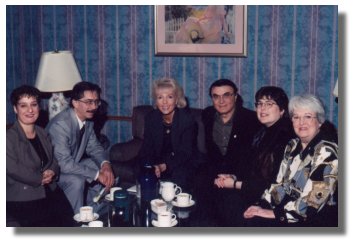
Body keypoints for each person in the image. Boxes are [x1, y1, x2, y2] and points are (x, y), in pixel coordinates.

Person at [243, 94, 338, 227]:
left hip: (314, 219)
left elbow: (312, 202)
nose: (301, 122)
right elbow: (279, 184)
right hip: (289, 211)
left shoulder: (328, 152)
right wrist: (261, 205)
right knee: (249, 216)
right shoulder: (292, 145)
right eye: (296, 117)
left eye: (308, 117)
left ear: (320, 121)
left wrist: (275, 214)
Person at [213, 86, 295, 226]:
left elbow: (272, 183)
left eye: (269, 104)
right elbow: (249, 166)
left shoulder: (285, 137)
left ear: (282, 110)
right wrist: (234, 176)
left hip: (272, 199)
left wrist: (234, 184)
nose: (262, 108)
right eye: (259, 104)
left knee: (227, 201)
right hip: (254, 190)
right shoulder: (262, 132)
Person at [192, 79, 260, 226]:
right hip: (213, 173)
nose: (221, 101)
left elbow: (253, 158)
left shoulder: (252, 120)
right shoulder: (207, 115)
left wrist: (234, 177)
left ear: (235, 97)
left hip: (239, 175)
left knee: (230, 206)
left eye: (226, 95)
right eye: (216, 96)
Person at [6, 85, 74, 226]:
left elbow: (53, 159)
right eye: (23, 105)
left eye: (34, 105)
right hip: (23, 196)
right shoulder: (8, 137)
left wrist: (52, 171)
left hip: (50, 189)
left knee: (70, 222)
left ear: (39, 107)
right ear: (15, 109)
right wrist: (39, 178)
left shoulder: (43, 132)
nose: (30, 110)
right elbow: (11, 168)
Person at [46, 81, 115, 215]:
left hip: (69, 164)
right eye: (89, 102)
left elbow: (94, 148)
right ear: (75, 103)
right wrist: (96, 175)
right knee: (77, 180)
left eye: (96, 101)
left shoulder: (87, 120)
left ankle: (93, 210)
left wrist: (105, 165)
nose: (94, 106)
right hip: (54, 173)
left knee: (104, 169)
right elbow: (64, 164)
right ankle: (74, 221)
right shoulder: (60, 125)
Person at [138, 77, 197, 191]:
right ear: (156, 100)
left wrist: (164, 166)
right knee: (141, 169)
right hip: (158, 160)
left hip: (181, 161)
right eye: (160, 97)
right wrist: (150, 166)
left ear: (176, 100)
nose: (164, 102)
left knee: (180, 176)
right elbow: (147, 148)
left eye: (169, 97)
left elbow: (185, 153)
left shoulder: (187, 120)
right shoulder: (151, 118)